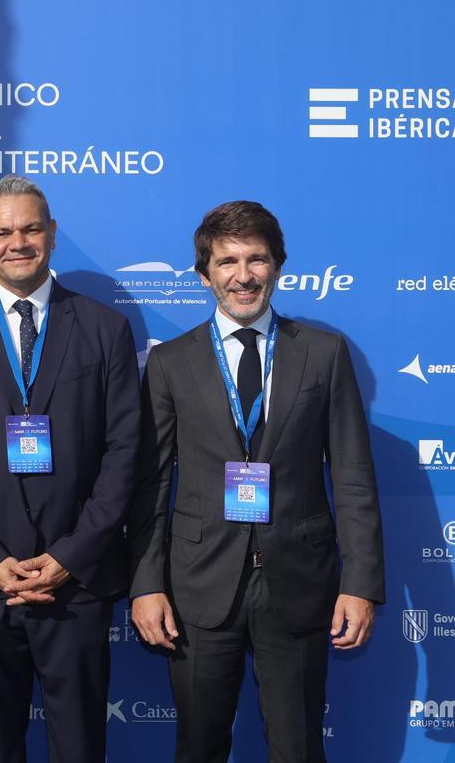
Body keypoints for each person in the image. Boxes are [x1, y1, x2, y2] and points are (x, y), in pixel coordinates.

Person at [127, 200, 385, 762]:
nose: (243, 275)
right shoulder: (170, 362)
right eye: (227, 262)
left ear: (277, 266)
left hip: (297, 582)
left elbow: (353, 477)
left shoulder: (323, 354)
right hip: (199, 586)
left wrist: (360, 583)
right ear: (204, 275)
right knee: (199, 747)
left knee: (297, 748)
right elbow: (149, 483)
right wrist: (146, 584)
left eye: (257, 259)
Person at [0, 175, 140, 763]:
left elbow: (124, 453)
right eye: (2, 232)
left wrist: (69, 557)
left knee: (81, 745)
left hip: (77, 581)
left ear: (53, 234)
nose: (18, 241)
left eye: (30, 228)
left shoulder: (105, 329)